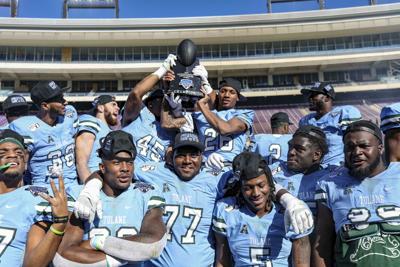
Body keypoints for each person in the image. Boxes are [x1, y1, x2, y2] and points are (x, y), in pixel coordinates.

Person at [73, 132, 313, 267]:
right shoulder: (153, 171)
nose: (188, 161)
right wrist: (92, 187)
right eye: (182, 155)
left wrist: (288, 198)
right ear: (171, 156)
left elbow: (256, 177)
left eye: (194, 155)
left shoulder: (215, 179)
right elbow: (108, 169)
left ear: (203, 157)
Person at [55, 130, 166, 267]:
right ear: (102, 167)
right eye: (117, 162)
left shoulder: (146, 193)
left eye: (129, 162)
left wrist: (96, 243)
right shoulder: (81, 195)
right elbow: (64, 255)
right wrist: (127, 254)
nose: (125, 168)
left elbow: (153, 244)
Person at [313, 120, 400, 267]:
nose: (357, 152)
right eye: (350, 147)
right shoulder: (329, 185)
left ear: (380, 148)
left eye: (364, 146)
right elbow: (322, 245)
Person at [213, 152, 311, 267]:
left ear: (270, 183)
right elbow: (222, 260)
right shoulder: (226, 210)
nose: (256, 193)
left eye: (261, 185)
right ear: (240, 188)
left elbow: (301, 262)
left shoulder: (291, 210)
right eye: (248, 188)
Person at [0, 129, 69, 267]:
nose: (12, 156)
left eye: (18, 153)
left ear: (25, 161)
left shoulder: (36, 195)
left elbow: (33, 265)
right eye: (3, 153)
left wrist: (59, 223)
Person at [9, 81, 79, 187]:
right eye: (60, 100)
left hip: (73, 184)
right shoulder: (24, 128)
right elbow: (19, 169)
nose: (65, 102)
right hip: (43, 187)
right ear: (45, 106)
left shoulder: (70, 115)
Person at [121, 54, 181, 163]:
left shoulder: (172, 129)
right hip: (129, 175)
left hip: (157, 177)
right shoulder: (139, 115)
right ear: (150, 104)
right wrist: (163, 68)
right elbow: (135, 94)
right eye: (160, 98)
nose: (165, 100)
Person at [193, 77, 254, 171]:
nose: (226, 95)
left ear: (238, 97)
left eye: (232, 92)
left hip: (232, 168)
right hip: (204, 168)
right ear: (218, 95)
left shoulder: (245, 113)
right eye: (223, 91)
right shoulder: (200, 115)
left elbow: (225, 129)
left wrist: (202, 106)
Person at [272, 125, 330, 217]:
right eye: (290, 147)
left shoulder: (330, 177)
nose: (291, 152)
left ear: (316, 155)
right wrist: (284, 196)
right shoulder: (276, 169)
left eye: (299, 149)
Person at [299, 81, 361, 166]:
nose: (310, 98)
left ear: (327, 97)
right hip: (313, 171)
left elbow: (355, 142)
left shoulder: (343, 113)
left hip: (338, 168)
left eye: (314, 95)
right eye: (309, 96)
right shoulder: (305, 120)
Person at [75, 95, 120, 183]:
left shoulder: (112, 132)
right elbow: (81, 163)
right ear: (100, 108)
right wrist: (90, 188)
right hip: (94, 180)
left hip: (110, 182)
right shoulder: (91, 122)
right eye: (113, 104)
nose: (118, 108)